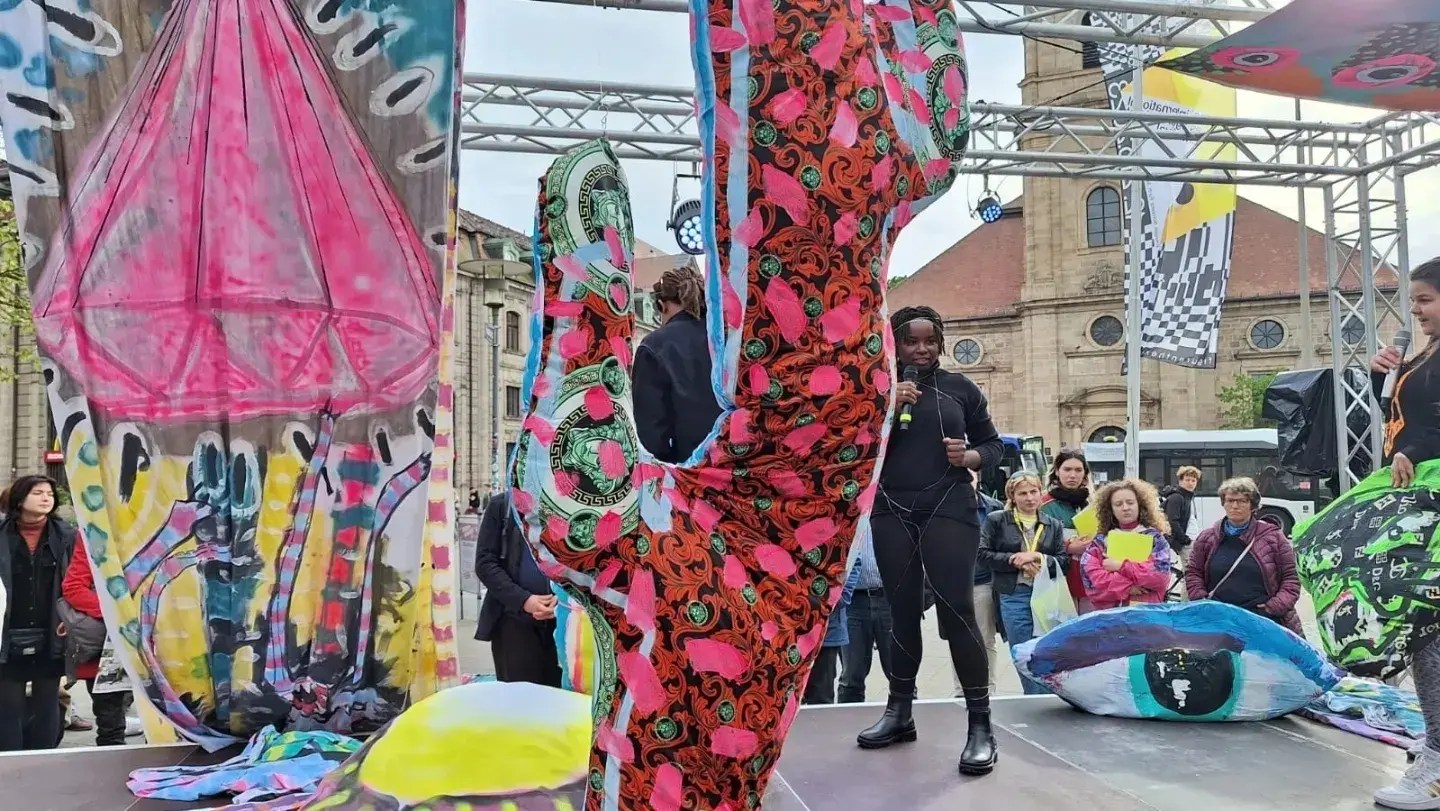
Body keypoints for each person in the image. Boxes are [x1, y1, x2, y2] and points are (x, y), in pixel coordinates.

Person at [856, 305, 1003, 777]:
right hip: (891, 509)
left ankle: (980, 726)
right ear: (895, 344)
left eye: (930, 341)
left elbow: (995, 445)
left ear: (940, 343)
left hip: (949, 506)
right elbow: (852, 448)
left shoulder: (961, 388)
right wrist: (886, 407)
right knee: (899, 610)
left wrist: (971, 457)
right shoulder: (875, 391)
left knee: (957, 609)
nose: (921, 349)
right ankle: (899, 712)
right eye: (911, 341)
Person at [1368, 258, 1440, 810]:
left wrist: (1413, 450)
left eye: (1424, 299)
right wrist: (1381, 379)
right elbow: (1403, 421)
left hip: (1432, 497)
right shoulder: (1427, 354)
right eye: (1413, 300)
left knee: (1426, 625)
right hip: (1418, 496)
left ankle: (1437, 761)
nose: (1414, 310)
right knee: (1422, 627)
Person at [0, 476, 74, 751]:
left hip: (52, 627)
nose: (46, 498)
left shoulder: (66, 535)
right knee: (8, 705)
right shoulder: (3, 534)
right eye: (38, 493)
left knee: (47, 701)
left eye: (49, 494)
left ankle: (44, 758)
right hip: (8, 628)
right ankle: (11, 762)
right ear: (20, 499)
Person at [979, 472, 1067, 694]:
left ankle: (1046, 697)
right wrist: (1013, 559)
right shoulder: (997, 520)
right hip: (1014, 594)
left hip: (1045, 594)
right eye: (1022, 493)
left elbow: (1063, 561)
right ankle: (1033, 698)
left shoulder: (1052, 524)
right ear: (1012, 496)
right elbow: (981, 554)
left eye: (1033, 492)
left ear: (1040, 493)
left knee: (1045, 650)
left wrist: (1039, 558)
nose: (1029, 498)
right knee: (1022, 651)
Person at [1184, 477, 1302, 635]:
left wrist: (1273, 607)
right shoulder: (1207, 537)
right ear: (1223, 503)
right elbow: (1193, 571)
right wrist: (1201, 600)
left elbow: (1291, 578)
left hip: (1263, 622)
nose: (1235, 506)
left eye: (1242, 501)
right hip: (1219, 621)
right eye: (1230, 500)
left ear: (1253, 505)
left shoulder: (1273, 537)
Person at [632, 266, 724, 464]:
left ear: (662, 305)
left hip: (688, 464)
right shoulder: (725, 338)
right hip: (736, 456)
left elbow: (651, 428)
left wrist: (669, 460)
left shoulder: (654, 345)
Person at [472, 493, 561, 687]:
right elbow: (485, 564)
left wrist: (562, 598)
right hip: (513, 621)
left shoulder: (568, 505)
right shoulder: (502, 505)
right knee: (519, 697)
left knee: (562, 696)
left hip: (562, 621)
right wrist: (524, 600)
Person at [59, 539, 132, 745]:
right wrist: (123, 612)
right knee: (111, 725)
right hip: (108, 646)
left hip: (163, 639)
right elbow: (74, 588)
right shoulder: (95, 532)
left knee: (168, 724)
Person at [1080, 478, 1174, 611]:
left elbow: (1160, 576)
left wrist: (1121, 566)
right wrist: (1127, 587)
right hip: (1111, 615)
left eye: (1130, 502)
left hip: (1145, 614)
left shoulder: (1155, 539)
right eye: (1118, 504)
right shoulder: (1100, 542)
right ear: (1110, 509)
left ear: (1139, 505)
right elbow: (1091, 577)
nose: (1125, 508)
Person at [837, 527, 893, 703]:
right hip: (853, 602)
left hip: (890, 600)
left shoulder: (892, 513)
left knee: (901, 674)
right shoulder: (848, 516)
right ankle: (847, 719)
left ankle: (906, 716)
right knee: (851, 677)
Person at [1039, 450, 1094, 614]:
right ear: (1057, 471)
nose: (1072, 475)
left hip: (1090, 577)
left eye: (1078, 470)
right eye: (1067, 469)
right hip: (1059, 578)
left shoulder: (1093, 503)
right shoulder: (1043, 504)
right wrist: (1068, 547)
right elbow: (1034, 541)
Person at [804, 564, 855, 705]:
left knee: (821, 697)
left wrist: (839, 596)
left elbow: (855, 561)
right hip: (788, 625)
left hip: (828, 630)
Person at [1161, 465, 1202, 567]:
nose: (1190, 483)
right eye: (1187, 480)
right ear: (1180, 481)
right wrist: (1184, 539)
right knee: (1191, 569)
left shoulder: (1188, 497)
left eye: (1193, 481)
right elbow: (1173, 520)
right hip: (1185, 541)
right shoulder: (1177, 497)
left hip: (1191, 539)